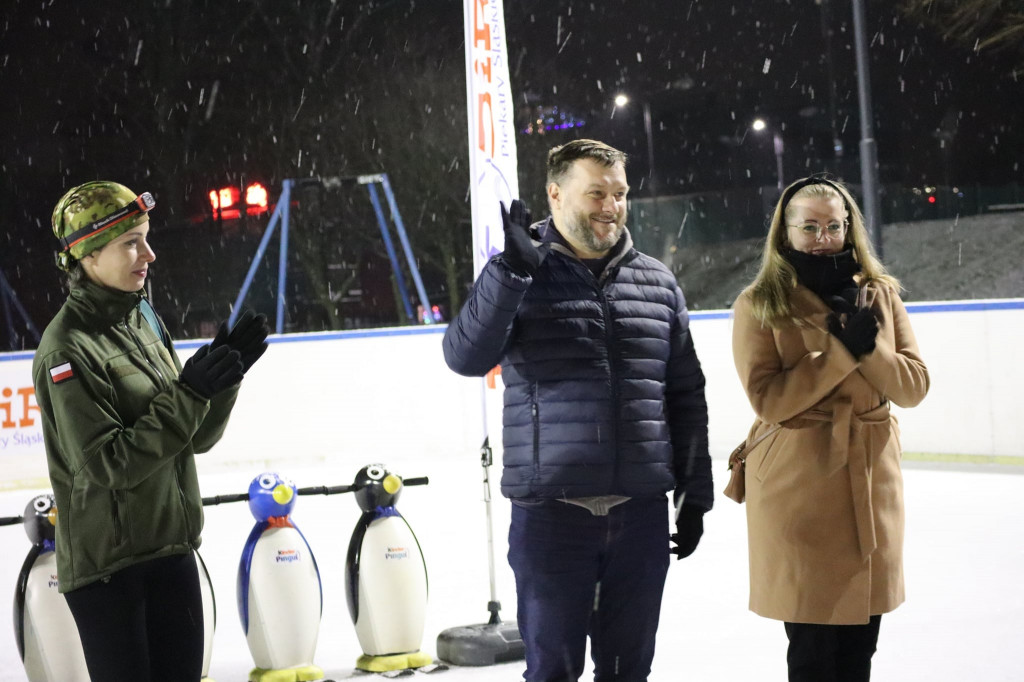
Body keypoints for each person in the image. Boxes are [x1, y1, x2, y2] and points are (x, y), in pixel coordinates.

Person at [443, 139, 712, 682]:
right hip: (551, 519)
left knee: (627, 670)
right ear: (555, 194)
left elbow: (684, 394)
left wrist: (694, 490)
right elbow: (465, 357)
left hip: (639, 516)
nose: (610, 206)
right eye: (596, 193)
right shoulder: (519, 272)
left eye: (619, 194)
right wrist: (510, 274)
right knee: (553, 673)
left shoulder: (657, 283)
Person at [32, 180, 270, 682]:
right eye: (131, 243)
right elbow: (108, 466)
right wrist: (190, 394)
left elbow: (194, 438)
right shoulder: (66, 350)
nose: (149, 254)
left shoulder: (141, 317)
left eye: (146, 237)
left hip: (172, 552)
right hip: (110, 573)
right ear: (88, 256)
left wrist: (222, 380)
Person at [730, 175, 930, 681]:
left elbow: (913, 387)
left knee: (862, 642)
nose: (824, 238)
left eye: (835, 226)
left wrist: (871, 349)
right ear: (785, 233)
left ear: (850, 228)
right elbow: (770, 400)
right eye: (811, 226)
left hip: (870, 478)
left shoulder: (881, 295)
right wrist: (841, 353)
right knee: (813, 649)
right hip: (800, 487)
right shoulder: (758, 304)